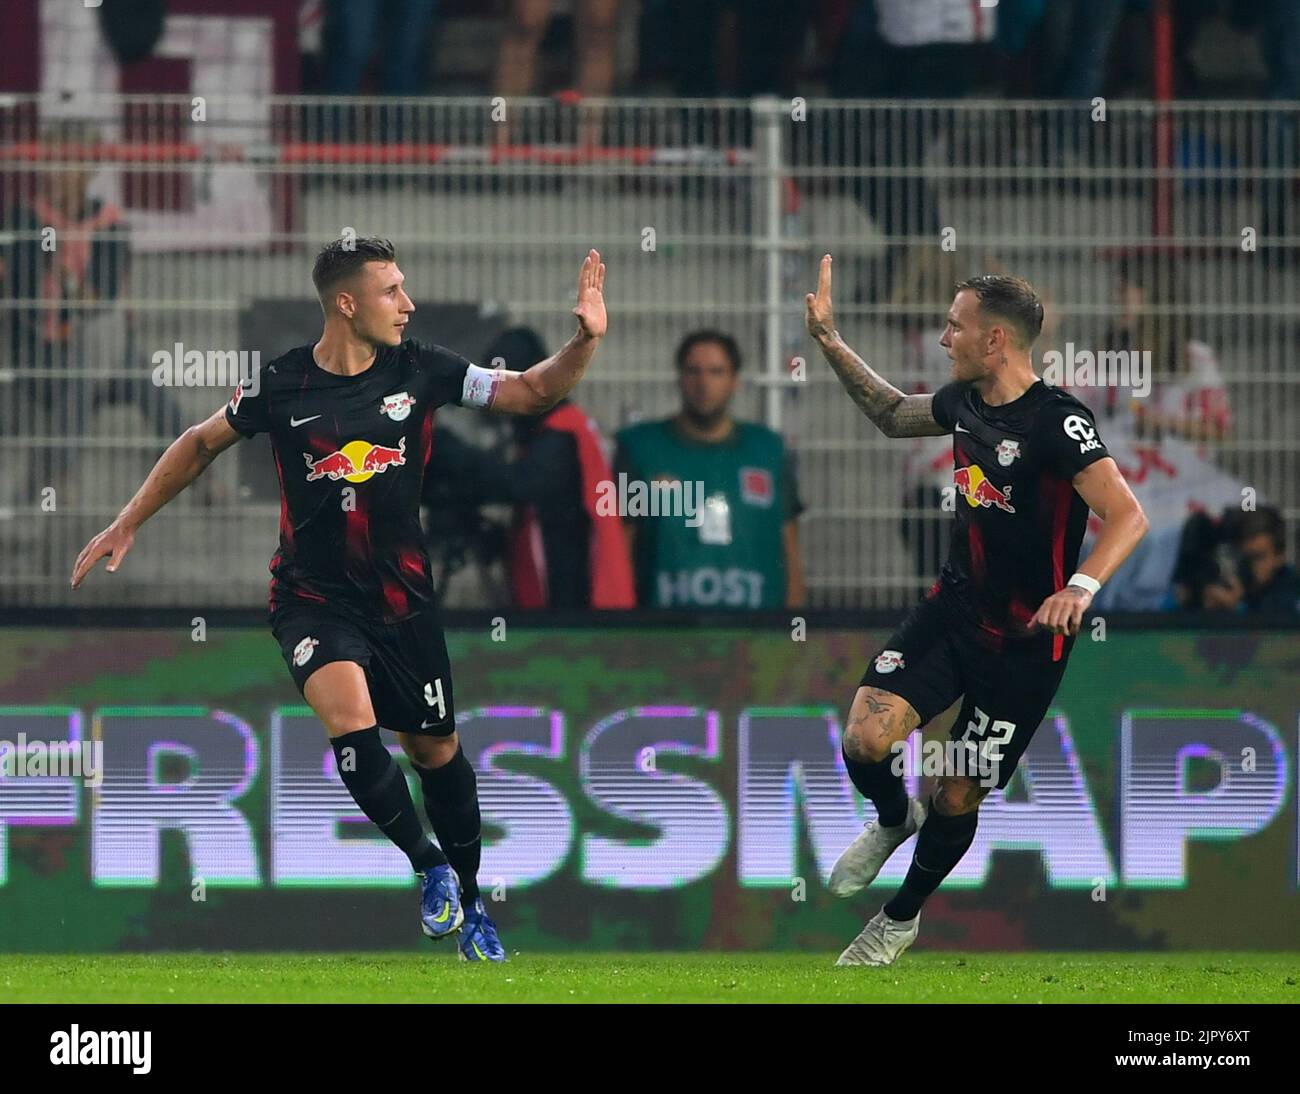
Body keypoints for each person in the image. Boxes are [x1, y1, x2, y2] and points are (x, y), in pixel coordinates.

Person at [71, 237, 608, 962]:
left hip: (403, 603)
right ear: (347, 304)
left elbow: (534, 390)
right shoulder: (282, 385)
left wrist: (583, 339)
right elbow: (200, 443)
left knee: (435, 751)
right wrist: (126, 521)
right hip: (311, 599)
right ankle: (430, 868)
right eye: (393, 291)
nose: (408, 303)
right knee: (352, 723)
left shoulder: (425, 370)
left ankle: (474, 903)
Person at [805, 258, 1148, 966]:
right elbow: (896, 414)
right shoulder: (963, 401)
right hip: (954, 612)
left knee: (957, 790)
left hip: (1024, 645)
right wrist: (833, 343)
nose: (942, 338)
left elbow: (1128, 516)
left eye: (954, 326)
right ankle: (894, 817)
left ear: (995, 340)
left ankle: (898, 920)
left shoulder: (1061, 423)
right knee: (865, 741)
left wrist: (1079, 588)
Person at [614, 329, 805, 610]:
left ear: (734, 381)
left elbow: (789, 548)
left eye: (716, 372)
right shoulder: (640, 449)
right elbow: (619, 547)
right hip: (661, 632)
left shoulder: (768, 451)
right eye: (694, 371)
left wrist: (792, 631)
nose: (704, 383)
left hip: (756, 633)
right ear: (679, 377)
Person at [458, 326, 634, 610]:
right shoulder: (559, 428)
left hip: (575, 596)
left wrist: (450, 451)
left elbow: (521, 484)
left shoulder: (561, 432)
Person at [1185, 506, 1300, 615]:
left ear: (1279, 557)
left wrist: (1237, 609)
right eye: (1241, 557)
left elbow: (1275, 624)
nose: (1247, 565)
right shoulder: (1214, 580)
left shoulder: (1291, 592)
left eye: (1257, 557)